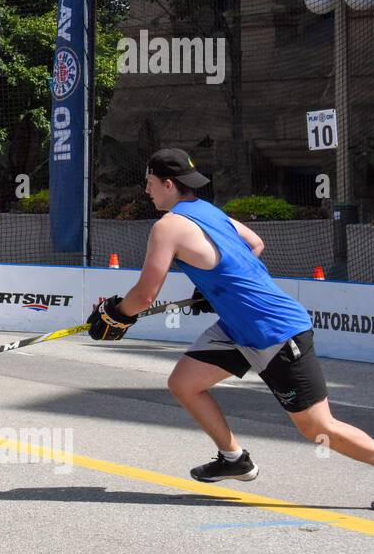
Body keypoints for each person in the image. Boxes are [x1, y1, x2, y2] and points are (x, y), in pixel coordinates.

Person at [87, 148, 374, 482]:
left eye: (149, 182)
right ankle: (234, 458)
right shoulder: (207, 211)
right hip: (238, 330)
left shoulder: (167, 227)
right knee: (184, 383)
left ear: (168, 184)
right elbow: (255, 243)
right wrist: (215, 289)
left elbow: (145, 295)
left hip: (274, 331)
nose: (146, 190)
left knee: (319, 427)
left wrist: (116, 314)